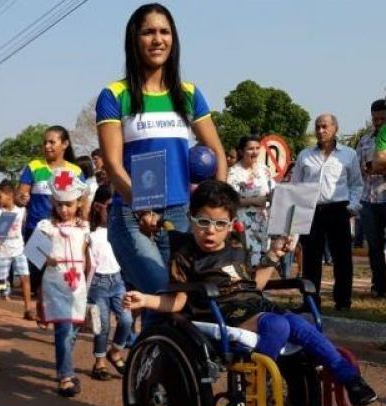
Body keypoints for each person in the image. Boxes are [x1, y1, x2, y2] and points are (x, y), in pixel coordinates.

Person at [123, 180, 376, 406]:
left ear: (230, 224)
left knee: (301, 323)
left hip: (253, 304)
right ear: (191, 219)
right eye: (203, 222)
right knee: (277, 325)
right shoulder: (186, 255)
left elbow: (254, 285)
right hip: (219, 311)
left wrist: (274, 255)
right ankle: (257, 386)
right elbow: (177, 301)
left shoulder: (236, 246)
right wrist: (145, 299)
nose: (210, 231)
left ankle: (352, 381)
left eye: (220, 224)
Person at [95, 3, 226, 326]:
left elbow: (217, 154)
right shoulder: (114, 94)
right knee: (166, 294)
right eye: (148, 32)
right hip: (131, 214)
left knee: (175, 301)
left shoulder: (189, 94)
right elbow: (113, 165)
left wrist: (220, 208)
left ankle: (157, 370)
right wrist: (141, 208)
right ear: (134, 39)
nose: (157, 40)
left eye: (164, 32)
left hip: (181, 212)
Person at [292, 114, 363, 311]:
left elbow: (356, 184)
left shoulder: (348, 154)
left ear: (335, 128)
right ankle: (310, 302)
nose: (320, 131)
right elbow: (295, 186)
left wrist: (352, 207)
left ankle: (343, 302)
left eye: (324, 126)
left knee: (342, 258)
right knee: (311, 259)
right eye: (317, 127)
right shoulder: (305, 155)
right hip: (311, 210)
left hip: (339, 209)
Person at [36, 169, 90, 397]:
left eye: (69, 204)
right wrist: (46, 258)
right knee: (64, 328)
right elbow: (33, 254)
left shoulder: (84, 228)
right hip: (55, 283)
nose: (64, 209)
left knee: (72, 328)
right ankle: (66, 375)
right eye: (60, 205)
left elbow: (89, 257)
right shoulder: (45, 226)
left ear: (78, 202)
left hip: (77, 284)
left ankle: (63, 361)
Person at [18, 126, 84, 295]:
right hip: (37, 233)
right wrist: (21, 198)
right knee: (39, 282)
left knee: (62, 280)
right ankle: (44, 316)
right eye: (45, 142)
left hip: (65, 234)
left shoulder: (75, 171)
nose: (47, 146)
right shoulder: (33, 167)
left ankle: (60, 317)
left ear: (65, 144)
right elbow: (19, 196)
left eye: (52, 142)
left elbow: (82, 202)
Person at [87, 184, 133, 380]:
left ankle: (114, 352)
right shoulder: (89, 233)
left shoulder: (121, 229)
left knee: (127, 320)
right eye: (110, 206)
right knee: (101, 325)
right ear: (98, 207)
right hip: (96, 285)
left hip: (117, 281)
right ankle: (99, 362)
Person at [227, 135, 275, 265]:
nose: (255, 152)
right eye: (250, 149)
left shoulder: (264, 169)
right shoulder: (233, 172)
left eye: (257, 148)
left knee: (262, 261)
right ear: (241, 151)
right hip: (242, 223)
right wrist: (254, 201)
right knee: (245, 260)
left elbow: (272, 191)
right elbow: (230, 200)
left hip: (263, 222)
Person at [0, 180, 34, 320]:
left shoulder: (21, 211)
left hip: (18, 249)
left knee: (25, 277)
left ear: (9, 195)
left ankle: (28, 309)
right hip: (2, 251)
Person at [357, 99, 386, 297]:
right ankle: (378, 285)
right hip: (368, 201)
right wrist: (373, 166)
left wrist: (376, 166)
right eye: (375, 118)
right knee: (374, 247)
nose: (378, 122)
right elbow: (357, 168)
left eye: (382, 118)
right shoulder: (365, 140)